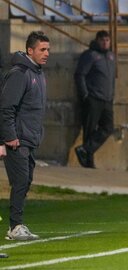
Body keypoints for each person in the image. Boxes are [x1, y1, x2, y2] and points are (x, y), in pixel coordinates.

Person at [0, 31, 50, 240]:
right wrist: (9, 137)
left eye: (48, 49)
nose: (47, 53)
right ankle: (14, 227)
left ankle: (17, 225)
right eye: (42, 49)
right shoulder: (19, 73)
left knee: (26, 180)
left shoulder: (37, 73)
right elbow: (6, 108)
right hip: (17, 139)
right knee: (21, 180)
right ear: (30, 50)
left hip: (29, 138)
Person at [74, 30, 115, 168]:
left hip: (107, 100)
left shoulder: (111, 56)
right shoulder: (90, 55)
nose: (105, 43)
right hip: (93, 99)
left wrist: (112, 95)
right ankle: (88, 162)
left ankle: (84, 150)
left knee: (108, 128)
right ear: (97, 40)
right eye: (102, 40)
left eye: (107, 40)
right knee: (89, 130)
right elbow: (80, 75)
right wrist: (85, 95)